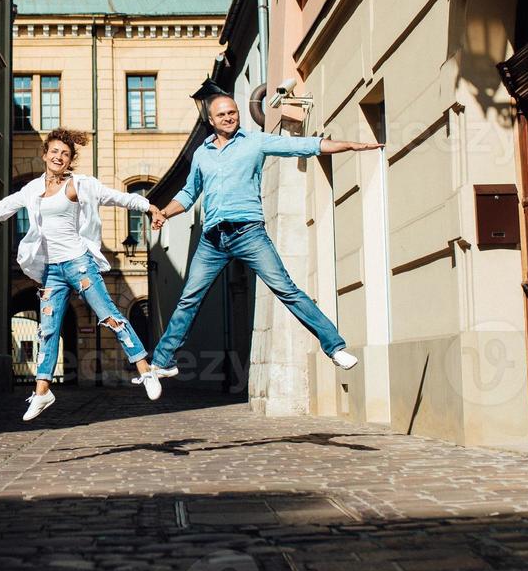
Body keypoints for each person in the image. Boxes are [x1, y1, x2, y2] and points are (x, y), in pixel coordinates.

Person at [147, 94, 383, 385]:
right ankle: (161, 362)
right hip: (213, 239)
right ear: (211, 120)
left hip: (248, 233)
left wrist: (349, 145)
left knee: (286, 288)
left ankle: (334, 347)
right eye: (222, 115)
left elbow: (302, 145)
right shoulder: (202, 154)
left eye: (232, 112)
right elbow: (188, 193)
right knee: (189, 299)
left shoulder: (255, 141)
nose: (229, 117)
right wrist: (165, 214)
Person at [0, 128, 167, 421]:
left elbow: (117, 198)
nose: (59, 157)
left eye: (65, 154)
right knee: (47, 329)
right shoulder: (31, 190)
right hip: (51, 272)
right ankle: (42, 390)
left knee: (109, 315)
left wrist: (149, 206)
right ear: (45, 154)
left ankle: (145, 370)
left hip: (78, 263)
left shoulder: (79, 185)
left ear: (70, 160)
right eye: (55, 152)